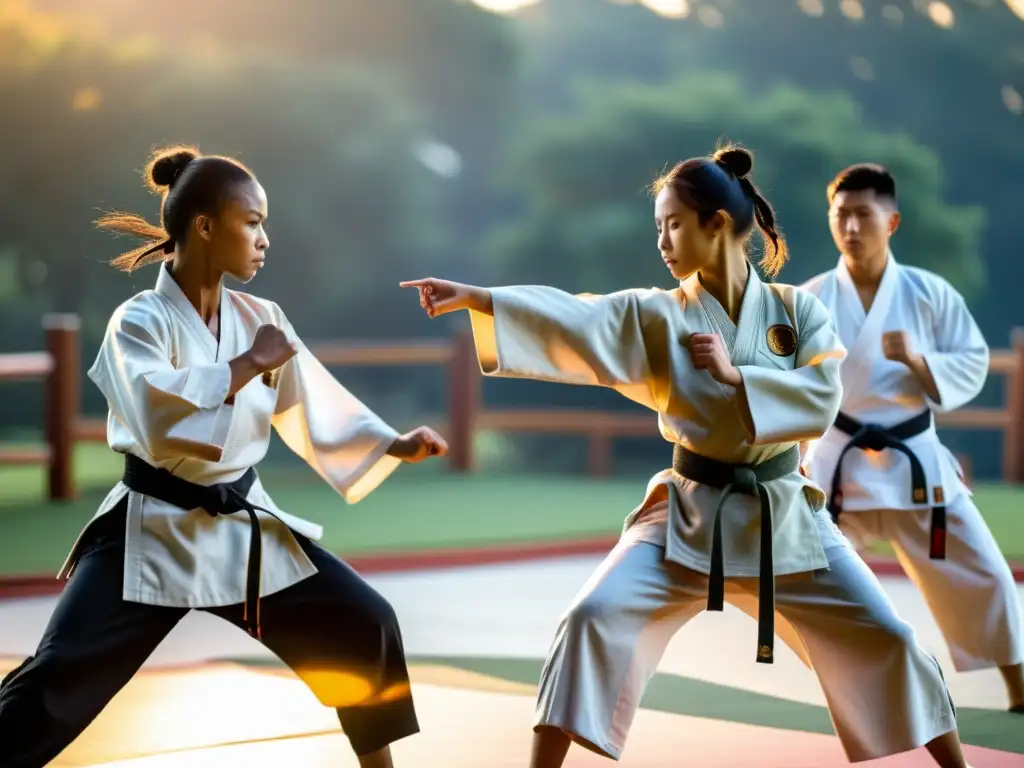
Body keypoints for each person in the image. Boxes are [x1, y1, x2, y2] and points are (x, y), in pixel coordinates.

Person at [402, 146, 968, 767]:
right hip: (687, 516)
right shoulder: (657, 313)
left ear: (717, 225)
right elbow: (580, 315)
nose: (663, 242)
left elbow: (822, 398)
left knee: (888, 636)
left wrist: (736, 376)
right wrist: (480, 297)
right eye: (658, 228)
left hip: (784, 518)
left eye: (673, 224)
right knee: (591, 617)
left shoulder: (797, 310)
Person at [0, 146, 448, 768]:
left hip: (241, 528)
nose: (265, 239)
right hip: (151, 530)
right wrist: (247, 364)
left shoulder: (260, 318)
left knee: (363, 624)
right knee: (55, 684)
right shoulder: (139, 321)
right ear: (205, 226)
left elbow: (309, 399)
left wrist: (389, 442)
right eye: (253, 222)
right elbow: (156, 417)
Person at [800, 163, 1024, 712]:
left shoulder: (929, 293)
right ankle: (857, 693)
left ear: (892, 221)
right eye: (841, 215)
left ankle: (1018, 686)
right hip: (836, 466)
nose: (850, 227)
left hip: (914, 464)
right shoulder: (810, 298)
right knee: (822, 587)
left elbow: (969, 363)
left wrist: (918, 361)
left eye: (863, 215)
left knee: (985, 573)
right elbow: (787, 381)